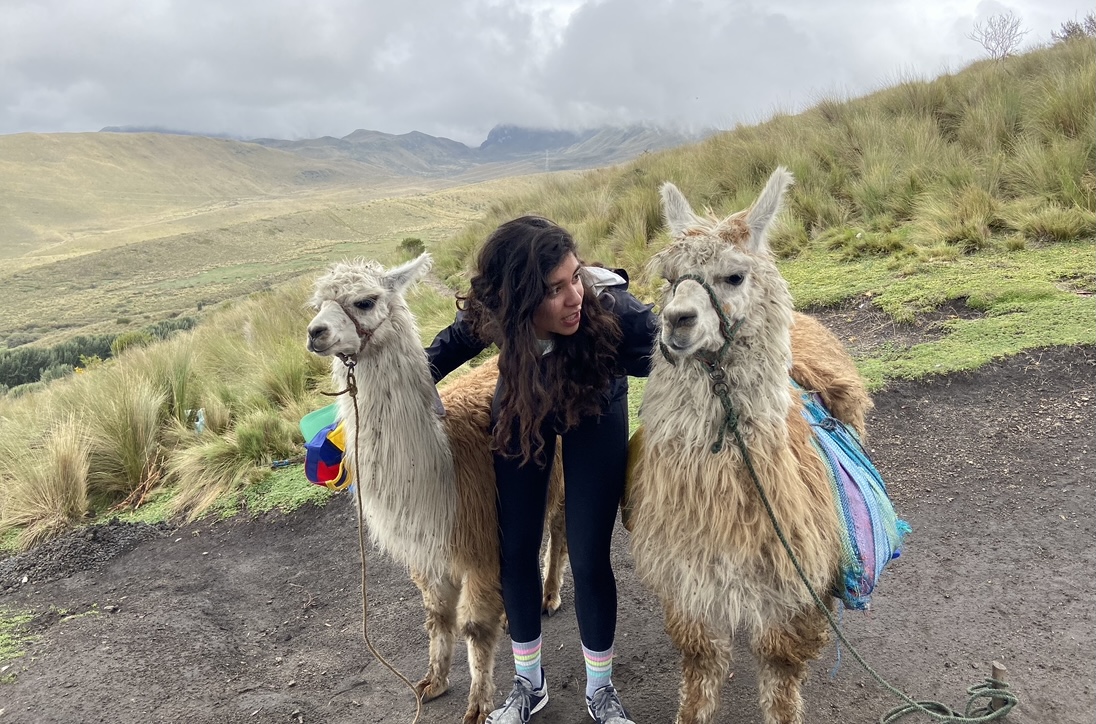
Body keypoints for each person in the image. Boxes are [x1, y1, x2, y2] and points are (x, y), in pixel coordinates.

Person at [425, 216, 658, 724]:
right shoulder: (495, 313)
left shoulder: (615, 310)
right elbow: (436, 357)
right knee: (515, 552)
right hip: (525, 407)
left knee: (590, 553)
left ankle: (601, 692)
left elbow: (678, 350)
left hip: (595, 405)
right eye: (555, 290)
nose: (575, 296)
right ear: (518, 300)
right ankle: (529, 685)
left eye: (576, 276)